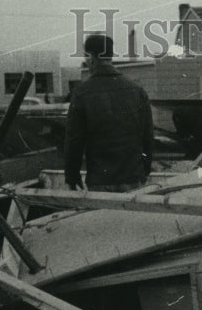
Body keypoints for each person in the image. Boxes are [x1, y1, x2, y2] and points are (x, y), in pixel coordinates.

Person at [64, 33, 154, 192]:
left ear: (91, 57)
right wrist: (144, 169)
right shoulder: (137, 90)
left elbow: (74, 142)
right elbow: (147, 136)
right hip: (133, 178)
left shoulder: (81, 93)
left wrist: (72, 177)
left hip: (100, 181)